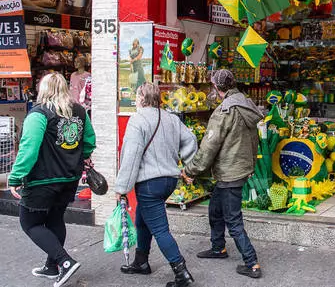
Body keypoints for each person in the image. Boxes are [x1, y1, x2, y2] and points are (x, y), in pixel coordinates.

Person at [7, 72, 96, 287]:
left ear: (44, 89)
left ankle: (64, 262)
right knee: (55, 218)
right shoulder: (79, 111)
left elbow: (29, 148)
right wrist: (79, 157)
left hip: (42, 180)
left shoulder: (39, 114)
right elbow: (89, 142)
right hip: (70, 178)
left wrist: (16, 176)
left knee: (29, 223)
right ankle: (51, 266)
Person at [114, 83, 198, 287]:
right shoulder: (171, 118)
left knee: (160, 229)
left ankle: (182, 273)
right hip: (169, 180)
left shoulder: (138, 120)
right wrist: (188, 165)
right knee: (143, 220)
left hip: (149, 182)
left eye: (136, 97)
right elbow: (191, 140)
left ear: (141, 99)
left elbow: (131, 156)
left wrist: (122, 188)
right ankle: (141, 262)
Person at [182, 69, 264, 279]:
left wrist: (190, 170)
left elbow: (209, 147)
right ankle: (218, 248)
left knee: (233, 220)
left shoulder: (224, 111)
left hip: (230, 172)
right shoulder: (246, 103)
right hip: (240, 167)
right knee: (215, 210)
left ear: (217, 87)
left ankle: (251, 262)